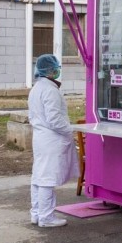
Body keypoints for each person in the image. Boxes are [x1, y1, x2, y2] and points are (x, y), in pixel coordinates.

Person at [28, 53, 79, 228]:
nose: (58, 70)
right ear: (50, 70)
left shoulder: (37, 88)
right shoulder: (50, 90)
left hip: (41, 138)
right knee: (47, 179)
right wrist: (70, 130)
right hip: (51, 139)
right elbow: (55, 120)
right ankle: (46, 217)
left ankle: (36, 213)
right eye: (56, 68)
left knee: (38, 177)